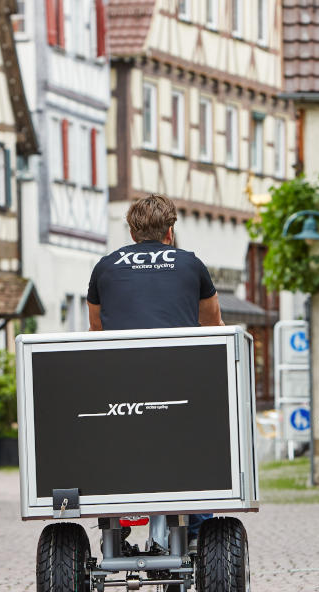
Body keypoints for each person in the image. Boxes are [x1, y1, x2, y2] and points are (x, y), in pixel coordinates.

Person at [87, 193, 223, 549]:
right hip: (178, 385)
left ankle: (113, 529)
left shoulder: (105, 266)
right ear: (170, 231)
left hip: (122, 389)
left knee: (111, 440)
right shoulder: (191, 264)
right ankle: (195, 532)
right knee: (196, 440)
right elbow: (213, 328)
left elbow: (96, 332)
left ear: (132, 233)